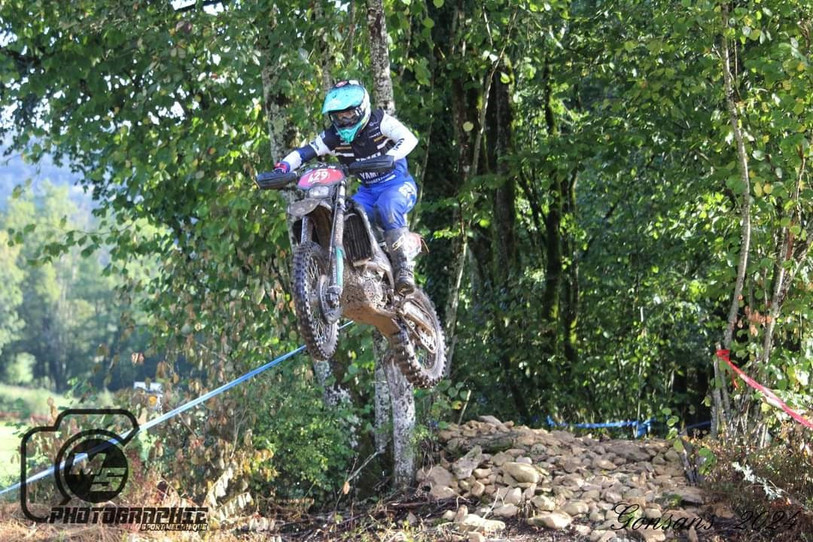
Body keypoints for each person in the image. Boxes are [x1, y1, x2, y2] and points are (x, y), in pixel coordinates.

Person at [274, 79, 419, 294]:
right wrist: (283, 168)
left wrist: (390, 156)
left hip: (397, 185)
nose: (344, 120)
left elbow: (409, 139)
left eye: (349, 114)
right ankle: (361, 267)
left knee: (388, 207)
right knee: (346, 216)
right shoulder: (333, 137)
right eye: (339, 116)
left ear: (362, 109)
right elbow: (305, 152)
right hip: (367, 192)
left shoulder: (380, 122)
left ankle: (403, 268)